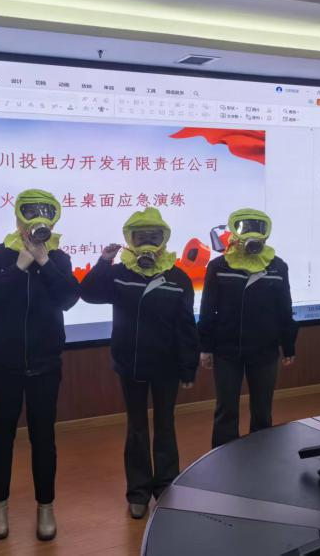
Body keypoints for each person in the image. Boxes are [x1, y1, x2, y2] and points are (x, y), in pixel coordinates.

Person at [0, 188, 80, 541]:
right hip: (1, 365)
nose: (37, 222)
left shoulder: (59, 258)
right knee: (1, 436)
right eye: (30, 215)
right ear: (19, 219)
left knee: (44, 438)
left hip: (45, 364)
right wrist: (19, 266)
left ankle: (45, 506)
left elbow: (68, 299)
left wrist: (45, 262)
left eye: (45, 216)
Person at [80, 207, 199, 520]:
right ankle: (138, 491)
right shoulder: (120, 273)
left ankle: (167, 486)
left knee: (165, 424)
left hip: (166, 366)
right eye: (140, 237)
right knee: (136, 428)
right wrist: (104, 262)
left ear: (164, 240)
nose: (147, 242)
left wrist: (188, 367)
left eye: (153, 237)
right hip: (130, 364)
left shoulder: (177, 277)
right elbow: (88, 293)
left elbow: (186, 326)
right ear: (129, 240)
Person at [198, 208, 298, 448]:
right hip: (226, 351)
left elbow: (284, 308)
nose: (252, 234)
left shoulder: (277, 266)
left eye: (258, 228)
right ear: (234, 232)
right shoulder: (219, 266)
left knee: (262, 411)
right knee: (226, 410)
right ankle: (223, 460)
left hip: (265, 351)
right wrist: (205, 347)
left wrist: (289, 346)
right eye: (245, 228)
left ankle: (260, 459)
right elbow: (208, 309)